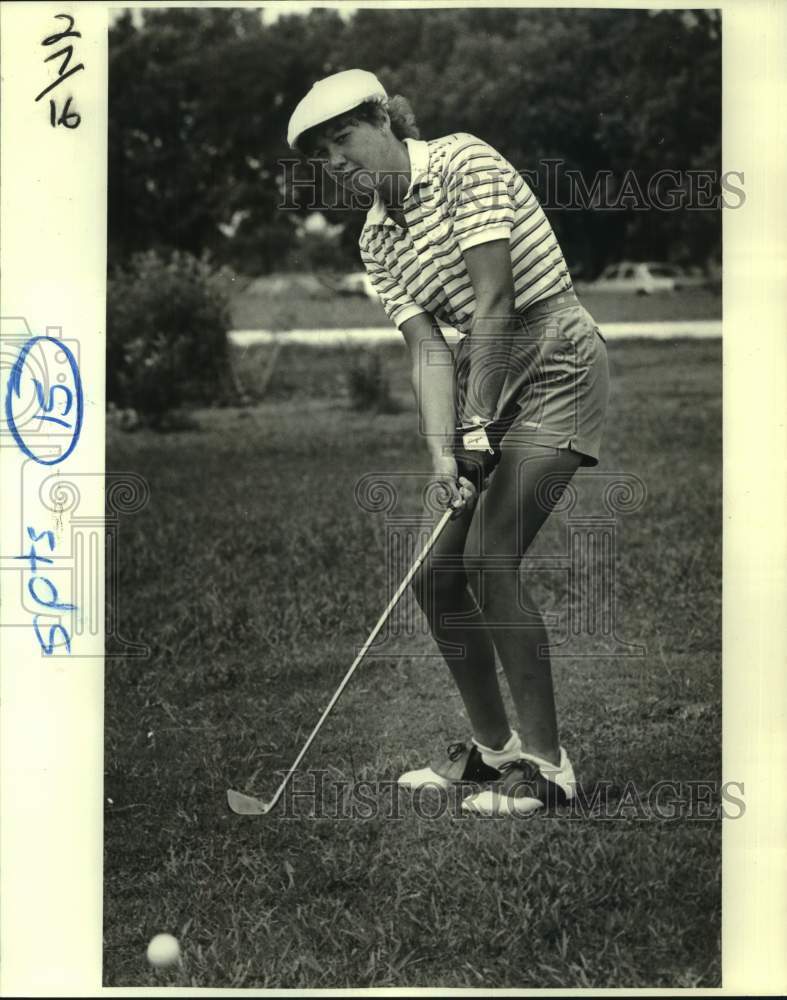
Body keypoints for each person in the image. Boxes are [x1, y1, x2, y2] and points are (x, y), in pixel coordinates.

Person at [287, 70, 610, 816]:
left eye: (343, 140)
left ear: (384, 120)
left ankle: (548, 768)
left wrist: (476, 422)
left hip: (557, 355)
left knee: (490, 556)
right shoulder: (375, 234)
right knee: (436, 576)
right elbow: (428, 350)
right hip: (483, 377)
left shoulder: (464, 162)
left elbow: (495, 301)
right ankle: (491, 754)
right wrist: (444, 449)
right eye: (323, 156)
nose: (338, 162)